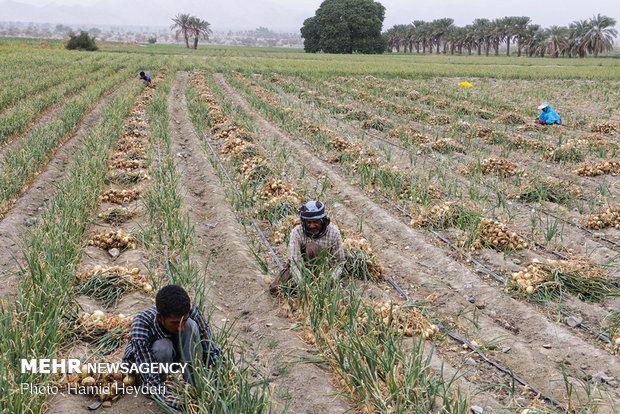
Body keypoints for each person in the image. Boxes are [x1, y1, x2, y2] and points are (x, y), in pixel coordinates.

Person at [123, 285, 221, 409]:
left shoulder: (191, 311)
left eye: (183, 321)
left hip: (175, 355)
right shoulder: (141, 324)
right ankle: (164, 385)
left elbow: (210, 350)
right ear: (160, 317)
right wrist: (181, 403)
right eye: (175, 323)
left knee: (192, 326)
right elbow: (150, 380)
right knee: (163, 347)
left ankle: (194, 385)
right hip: (145, 363)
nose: (181, 328)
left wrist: (219, 378)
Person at [270, 200, 345, 293]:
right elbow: (295, 262)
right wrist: (302, 285)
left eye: (316, 222)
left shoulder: (333, 233)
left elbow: (340, 262)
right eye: (308, 222)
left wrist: (331, 278)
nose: (312, 226)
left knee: (312, 248)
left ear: (323, 220)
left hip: (324, 270)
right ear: (303, 221)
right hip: (302, 268)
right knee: (275, 288)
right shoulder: (297, 233)